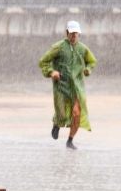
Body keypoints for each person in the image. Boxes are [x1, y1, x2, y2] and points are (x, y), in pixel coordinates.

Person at [38, 20, 97, 149]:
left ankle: (70, 141)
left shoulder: (83, 49)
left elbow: (92, 62)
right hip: (61, 85)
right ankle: (57, 123)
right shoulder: (58, 47)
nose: (74, 36)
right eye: (71, 33)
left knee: (77, 113)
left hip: (77, 87)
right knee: (62, 114)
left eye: (76, 33)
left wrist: (88, 70)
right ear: (66, 33)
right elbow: (43, 61)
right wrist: (51, 72)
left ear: (79, 34)